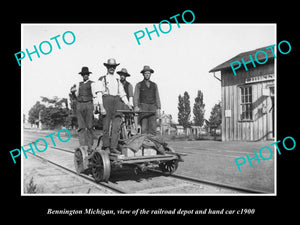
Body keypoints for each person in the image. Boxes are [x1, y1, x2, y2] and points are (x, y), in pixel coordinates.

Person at [97, 58, 133, 154]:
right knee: (106, 126)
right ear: (107, 67)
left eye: (113, 67)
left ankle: (113, 147)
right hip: (106, 101)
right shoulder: (102, 79)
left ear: (115, 68)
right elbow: (99, 94)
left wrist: (128, 104)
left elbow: (122, 94)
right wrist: (101, 107)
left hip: (117, 102)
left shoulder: (118, 81)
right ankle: (106, 146)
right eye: (110, 67)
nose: (112, 68)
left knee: (117, 126)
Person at [70, 66, 97, 153]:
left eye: (86, 74)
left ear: (88, 75)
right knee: (81, 126)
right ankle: (82, 146)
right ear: (82, 75)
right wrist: (73, 92)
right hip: (80, 105)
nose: (85, 76)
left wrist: (95, 106)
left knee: (89, 126)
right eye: (84, 74)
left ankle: (90, 146)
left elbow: (95, 95)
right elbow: (76, 95)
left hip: (89, 104)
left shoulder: (92, 83)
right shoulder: (79, 84)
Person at [133, 65, 161, 135]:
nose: (147, 75)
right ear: (143, 74)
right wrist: (136, 106)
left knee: (153, 128)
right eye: (145, 73)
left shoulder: (154, 85)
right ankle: (145, 145)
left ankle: (152, 145)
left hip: (152, 108)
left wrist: (158, 108)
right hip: (143, 108)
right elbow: (136, 96)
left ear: (150, 74)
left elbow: (157, 96)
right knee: (144, 128)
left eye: (148, 73)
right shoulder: (139, 85)